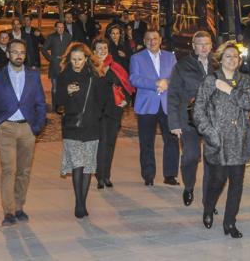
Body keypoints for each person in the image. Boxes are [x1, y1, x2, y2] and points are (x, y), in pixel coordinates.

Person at [193, 41, 250, 239]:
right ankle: (208, 207)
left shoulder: (245, 80)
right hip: (218, 140)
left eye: (235, 57)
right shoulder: (210, 80)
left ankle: (230, 222)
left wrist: (229, 90)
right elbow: (198, 111)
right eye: (228, 56)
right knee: (218, 180)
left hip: (239, 140)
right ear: (220, 59)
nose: (232, 60)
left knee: (237, 183)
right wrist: (210, 133)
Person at [0, 39, 47, 226]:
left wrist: (36, 127)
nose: (18, 55)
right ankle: (8, 211)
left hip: (27, 128)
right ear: (7, 54)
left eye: (22, 52)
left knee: (23, 170)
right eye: (14, 52)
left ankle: (19, 206)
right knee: (9, 170)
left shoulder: (33, 75)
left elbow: (40, 103)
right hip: (5, 127)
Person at [56, 42, 109, 218]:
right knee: (77, 164)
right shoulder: (64, 75)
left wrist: (95, 116)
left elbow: (102, 100)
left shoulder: (95, 75)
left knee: (87, 166)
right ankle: (79, 203)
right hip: (71, 126)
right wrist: (67, 92)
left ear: (86, 59)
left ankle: (82, 202)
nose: (77, 63)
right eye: (73, 60)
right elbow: (57, 103)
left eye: (80, 59)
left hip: (91, 126)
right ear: (68, 60)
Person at [167, 31, 215, 207]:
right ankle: (189, 186)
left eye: (206, 44)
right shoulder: (182, 66)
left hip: (213, 122)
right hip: (188, 120)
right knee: (191, 157)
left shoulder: (218, 64)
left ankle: (208, 202)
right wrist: (174, 123)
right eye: (199, 44)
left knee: (211, 161)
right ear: (193, 46)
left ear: (211, 45)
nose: (203, 47)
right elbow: (173, 95)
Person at [129, 30, 179, 186]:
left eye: (155, 38)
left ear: (160, 40)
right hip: (146, 106)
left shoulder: (170, 57)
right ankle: (148, 175)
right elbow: (134, 78)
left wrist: (167, 82)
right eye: (149, 39)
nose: (152, 41)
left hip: (167, 105)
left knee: (171, 140)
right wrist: (155, 84)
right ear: (144, 41)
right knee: (147, 142)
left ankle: (170, 175)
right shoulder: (137, 58)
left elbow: (177, 77)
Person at [92, 38, 135, 189]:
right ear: (94, 51)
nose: (102, 50)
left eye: (104, 48)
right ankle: (99, 176)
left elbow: (127, 85)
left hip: (114, 111)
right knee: (102, 143)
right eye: (99, 48)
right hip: (97, 112)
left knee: (110, 143)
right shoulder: (90, 68)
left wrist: (126, 101)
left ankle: (106, 175)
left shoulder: (116, 66)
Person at [42, 21, 72, 111]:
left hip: (65, 66)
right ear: (55, 28)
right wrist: (51, 58)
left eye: (62, 27)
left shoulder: (68, 37)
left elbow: (71, 49)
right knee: (55, 88)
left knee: (65, 87)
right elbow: (44, 49)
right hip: (55, 66)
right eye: (58, 27)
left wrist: (68, 58)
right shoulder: (51, 37)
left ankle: (64, 106)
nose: (60, 29)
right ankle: (55, 106)